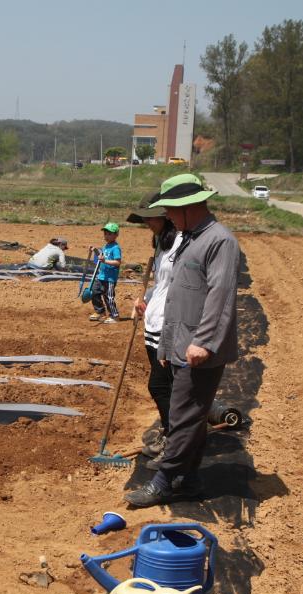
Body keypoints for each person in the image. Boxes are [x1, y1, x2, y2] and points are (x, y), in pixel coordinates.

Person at [125, 173, 240, 508]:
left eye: (172, 210)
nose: (168, 217)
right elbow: (174, 297)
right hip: (178, 342)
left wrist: (203, 342)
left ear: (191, 206)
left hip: (198, 348)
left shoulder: (220, 241)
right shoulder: (189, 238)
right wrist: (165, 344)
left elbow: (221, 297)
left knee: (184, 415)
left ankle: (163, 482)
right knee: (185, 414)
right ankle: (187, 481)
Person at [126, 191, 182, 462]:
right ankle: (170, 432)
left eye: (151, 218)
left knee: (162, 387)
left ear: (166, 216)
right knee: (163, 387)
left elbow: (181, 289)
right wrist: (144, 299)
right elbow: (161, 285)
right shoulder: (161, 243)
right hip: (153, 321)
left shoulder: (182, 243)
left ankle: (175, 442)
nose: (147, 223)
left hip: (168, 326)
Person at [89, 222, 122, 323]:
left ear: (116, 235)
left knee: (109, 297)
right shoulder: (106, 246)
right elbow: (101, 256)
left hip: (110, 278)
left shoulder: (116, 248)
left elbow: (117, 262)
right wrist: (94, 250)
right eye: (105, 234)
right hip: (101, 276)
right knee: (94, 292)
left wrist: (105, 261)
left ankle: (114, 316)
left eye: (109, 234)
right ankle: (100, 312)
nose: (106, 236)